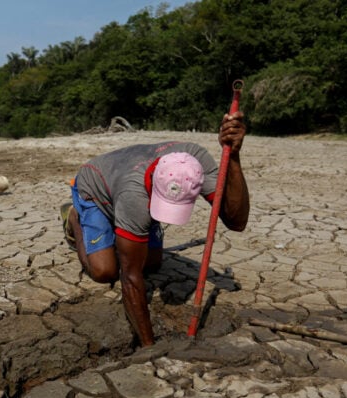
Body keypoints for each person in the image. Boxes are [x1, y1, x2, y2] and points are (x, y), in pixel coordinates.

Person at [61, 113, 249, 346]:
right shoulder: (135, 196)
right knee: (105, 272)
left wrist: (234, 157)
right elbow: (129, 277)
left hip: (125, 186)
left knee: (152, 264)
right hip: (95, 187)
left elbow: (236, 221)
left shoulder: (195, 162)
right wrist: (148, 347)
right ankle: (74, 217)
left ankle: (121, 230)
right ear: (153, 186)